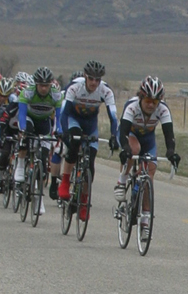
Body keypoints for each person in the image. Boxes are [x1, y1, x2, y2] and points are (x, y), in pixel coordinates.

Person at [56, 61, 119, 213]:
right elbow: (64, 113)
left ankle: (84, 200)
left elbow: (113, 116)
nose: (93, 83)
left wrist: (113, 136)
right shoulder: (75, 87)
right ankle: (65, 181)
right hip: (74, 120)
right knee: (74, 144)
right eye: (91, 78)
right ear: (85, 76)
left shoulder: (105, 91)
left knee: (90, 164)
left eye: (97, 80)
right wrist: (65, 132)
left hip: (91, 125)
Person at [117, 77, 180, 189]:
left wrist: (171, 151)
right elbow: (123, 131)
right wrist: (125, 147)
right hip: (130, 135)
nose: (151, 105)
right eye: (148, 101)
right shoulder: (132, 106)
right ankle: (122, 181)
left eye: (155, 102)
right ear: (141, 98)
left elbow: (169, 134)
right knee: (134, 148)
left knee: (149, 174)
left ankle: (145, 205)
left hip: (148, 139)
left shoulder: (163, 109)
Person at [14, 67, 61, 208]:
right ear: (36, 84)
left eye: (46, 85)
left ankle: (39, 199)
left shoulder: (56, 94)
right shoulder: (27, 92)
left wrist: (59, 131)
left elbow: (59, 117)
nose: (44, 89)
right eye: (41, 85)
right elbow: (21, 114)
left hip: (44, 122)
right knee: (26, 136)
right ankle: (21, 166)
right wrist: (22, 129)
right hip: (29, 118)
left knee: (44, 156)